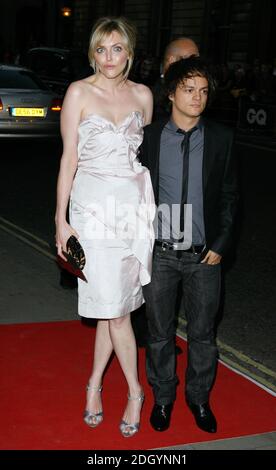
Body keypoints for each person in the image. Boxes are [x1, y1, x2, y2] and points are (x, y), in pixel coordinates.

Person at [55, 16, 155, 438]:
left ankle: (95, 384)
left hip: (131, 209)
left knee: (111, 309)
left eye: (117, 49)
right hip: (91, 211)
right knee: (113, 309)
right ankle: (134, 391)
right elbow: (68, 160)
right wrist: (60, 221)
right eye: (101, 49)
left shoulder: (144, 96)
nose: (109, 57)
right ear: (92, 53)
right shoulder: (79, 92)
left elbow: (139, 151)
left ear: (129, 52)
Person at [140, 57, 238, 433]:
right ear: (171, 93)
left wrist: (221, 242)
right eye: (188, 89)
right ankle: (162, 399)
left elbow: (230, 196)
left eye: (203, 91)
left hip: (204, 256)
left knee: (203, 335)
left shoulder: (221, 138)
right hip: (160, 253)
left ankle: (198, 400)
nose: (197, 98)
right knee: (160, 334)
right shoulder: (149, 138)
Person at [132, 37, 199, 348]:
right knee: (147, 268)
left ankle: (160, 332)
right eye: (188, 58)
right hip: (149, 198)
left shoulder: (195, 92)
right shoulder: (150, 95)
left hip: (181, 207)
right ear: (170, 63)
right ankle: (146, 330)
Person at [152, 37, 199, 120]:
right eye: (190, 60)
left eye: (197, 60)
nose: (196, 64)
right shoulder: (155, 95)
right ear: (172, 61)